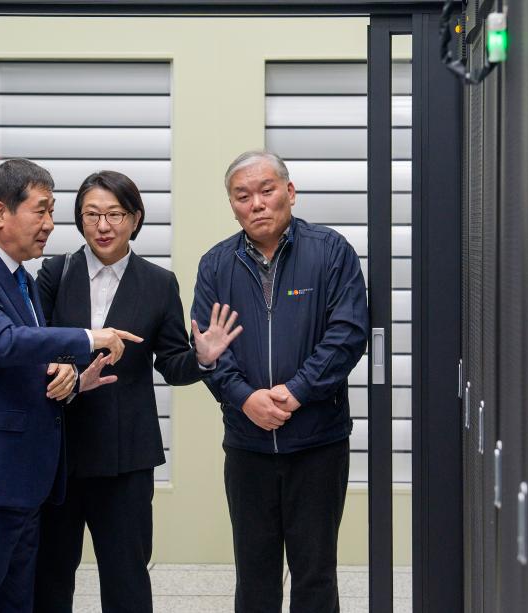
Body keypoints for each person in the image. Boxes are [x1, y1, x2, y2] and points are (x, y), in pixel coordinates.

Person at [0, 159, 141, 613]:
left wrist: (73, 380)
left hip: (24, 484)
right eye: (40, 211)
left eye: (52, 212)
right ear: (0, 213)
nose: (50, 224)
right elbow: (4, 343)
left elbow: (27, 366)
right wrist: (89, 338)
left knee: (16, 604)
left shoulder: (21, 279)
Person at [32, 170, 242, 612]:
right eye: (91, 215)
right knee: (49, 575)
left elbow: (172, 364)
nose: (102, 226)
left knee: (126, 577)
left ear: (135, 218)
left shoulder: (159, 283)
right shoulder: (55, 273)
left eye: (114, 214)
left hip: (125, 456)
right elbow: (35, 348)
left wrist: (203, 357)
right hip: (59, 451)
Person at [192, 151, 369, 612]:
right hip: (247, 445)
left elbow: (348, 335)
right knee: (254, 574)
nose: (256, 204)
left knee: (315, 572)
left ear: (289, 192)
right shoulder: (215, 265)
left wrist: (296, 391)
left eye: (266, 190)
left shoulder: (330, 252)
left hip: (317, 443)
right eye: (242, 196)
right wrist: (245, 398)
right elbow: (208, 348)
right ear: (232, 205)